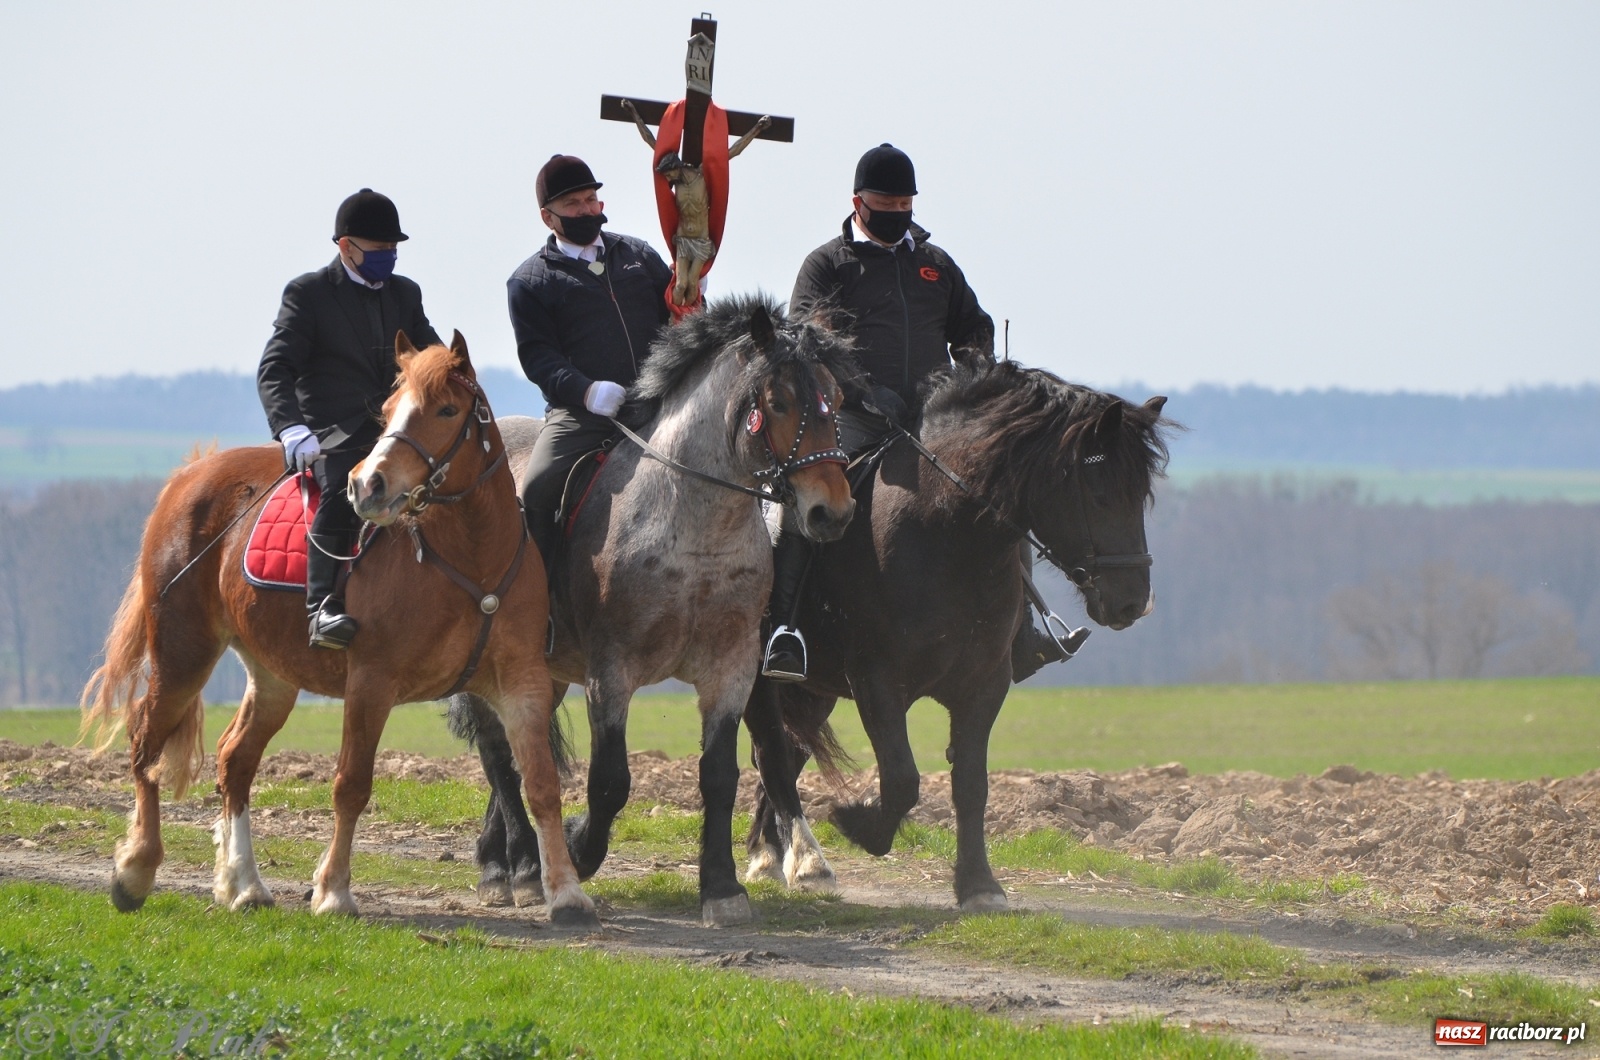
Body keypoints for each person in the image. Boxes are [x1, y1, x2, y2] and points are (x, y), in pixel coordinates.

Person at [765, 143, 1070, 683]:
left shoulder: (935, 265)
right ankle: (784, 630)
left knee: (1000, 492)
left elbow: (973, 326)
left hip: (932, 420)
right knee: (804, 504)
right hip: (854, 417)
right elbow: (806, 345)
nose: (898, 211)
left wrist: (967, 382)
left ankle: (1027, 629)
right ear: (857, 202)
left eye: (906, 201)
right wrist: (864, 394)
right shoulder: (827, 265)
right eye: (886, 201)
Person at [257, 188, 441, 649]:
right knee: (344, 494)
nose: (390, 258)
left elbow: (433, 356)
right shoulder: (309, 294)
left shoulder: (406, 293)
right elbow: (275, 368)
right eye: (380, 251)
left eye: (394, 250)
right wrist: (291, 428)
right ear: (345, 247)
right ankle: (321, 607)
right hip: (331, 434)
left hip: (396, 430)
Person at [507, 154, 673, 566]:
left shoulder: (639, 253)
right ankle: (543, 600)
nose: (586, 210)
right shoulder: (529, 282)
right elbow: (538, 358)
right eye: (573, 205)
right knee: (537, 489)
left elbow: (676, 317)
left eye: (590, 199)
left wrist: (690, 289)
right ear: (549, 218)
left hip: (660, 400)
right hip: (584, 415)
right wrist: (586, 391)